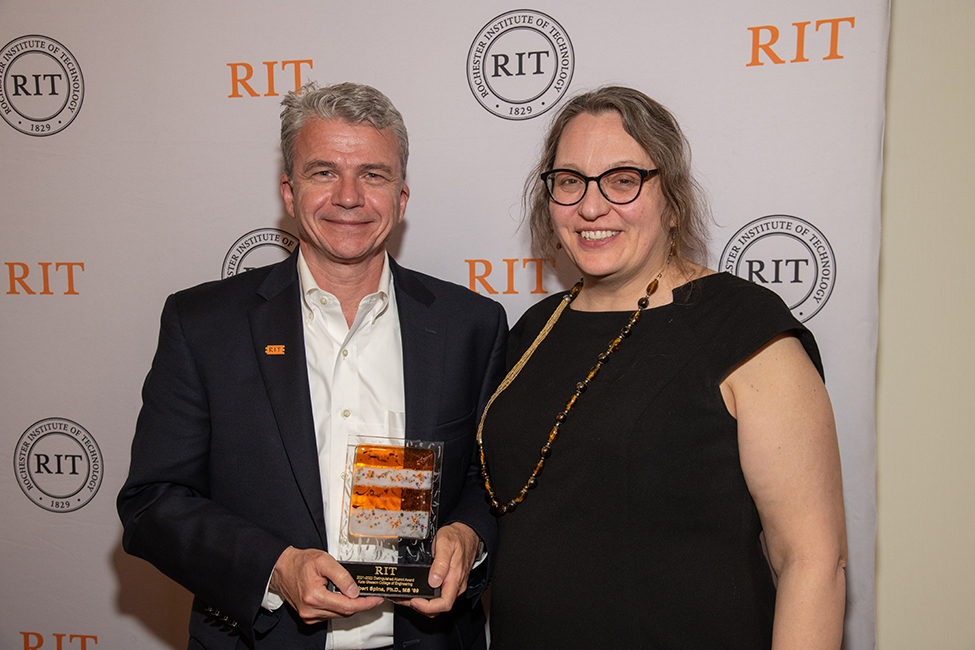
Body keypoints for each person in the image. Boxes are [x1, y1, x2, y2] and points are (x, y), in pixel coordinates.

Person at [118, 81, 506, 650]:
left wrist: (469, 534)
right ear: (289, 193)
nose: (349, 196)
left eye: (373, 175)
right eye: (324, 172)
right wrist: (273, 567)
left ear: (401, 198)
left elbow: (488, 481)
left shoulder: (469, 324)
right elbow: (152, 502)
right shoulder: (202, 324)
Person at [476, 86, 847, 648]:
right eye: (570, 180)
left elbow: (812, 562)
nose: (591, 206)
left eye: (623, 179)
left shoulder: (741, 328)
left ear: (671, 198)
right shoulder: (533, 329)